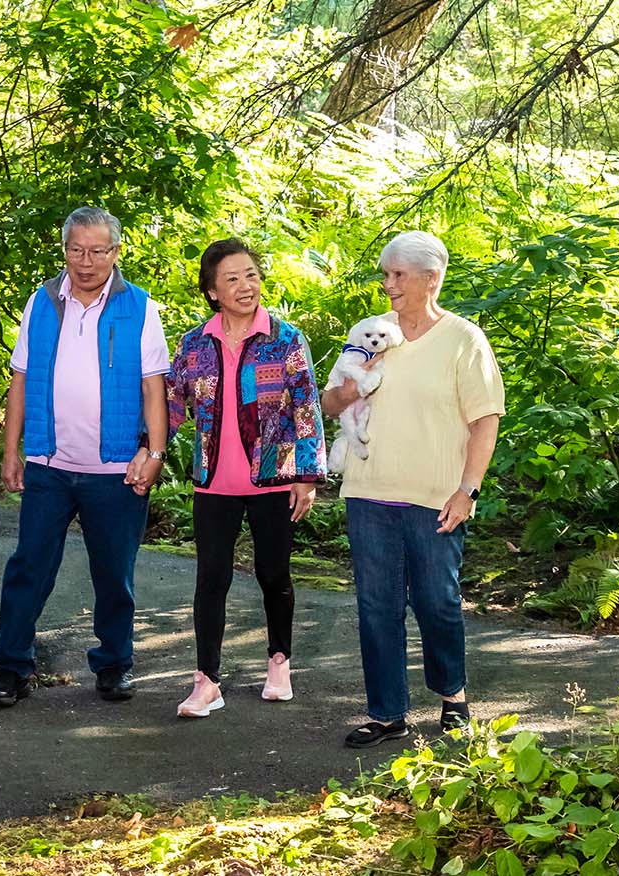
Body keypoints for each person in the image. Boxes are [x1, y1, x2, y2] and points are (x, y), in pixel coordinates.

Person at [319, 231, 505, 748]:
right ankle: (387, 714)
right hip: (368, 492)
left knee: (437, 602)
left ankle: (453, 697)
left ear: (432, 277)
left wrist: (467, 490)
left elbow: (485, 421)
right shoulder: (370, 332)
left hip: (436, 497)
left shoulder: (464, 339)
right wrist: (355, 385)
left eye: (398, 274)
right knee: (376, 605)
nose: (388, 284)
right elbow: (330, 404)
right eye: (385, 274)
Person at [0, 207, 170, 709]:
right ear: (64, 249)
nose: (85, 262)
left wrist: (154, 451)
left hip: (116, 469)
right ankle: (12, 668)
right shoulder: (41, 303)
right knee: (29, 567)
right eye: (76, 250)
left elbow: (155, 389)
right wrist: (12, 450)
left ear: (116, 252)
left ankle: (114, 664)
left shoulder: (141, 308)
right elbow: (20, 378)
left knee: (114, 572)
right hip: (49, 464)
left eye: (97, 251)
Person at [165, 238, 327, 718]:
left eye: (251, 275)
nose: (245, 286)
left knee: (273, 574)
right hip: (213, 482)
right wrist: (144, 450)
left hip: (274, 478)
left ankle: (279, 662)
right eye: (232, 278)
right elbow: (172, 404)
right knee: (210, 579)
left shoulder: (285, 338)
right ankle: (206, 681)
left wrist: (306, 474)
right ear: (212, 291)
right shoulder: (195, 345)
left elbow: (306, 407)